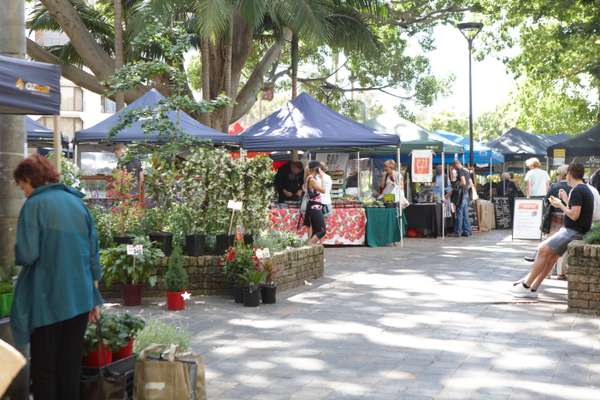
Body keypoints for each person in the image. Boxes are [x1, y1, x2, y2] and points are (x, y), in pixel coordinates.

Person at [11, 154, 103, 400]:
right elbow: (94, 256)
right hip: (81, 299)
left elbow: (27, 254)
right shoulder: (78, 204)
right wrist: (94, 297)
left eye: (23, 187)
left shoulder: (34, 205)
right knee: (70, 366)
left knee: (44, 369)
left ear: (30, 179)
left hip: (47, 300)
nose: (24, 193)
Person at [512, 163, 594, 298]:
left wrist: (559, 205)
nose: (565, 176)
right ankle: (533, 288)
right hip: (575, 230)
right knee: (550, 257)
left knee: (543, 250)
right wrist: (565, 200)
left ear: (570, 173)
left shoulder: (578, 190)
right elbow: (577, 210)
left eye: (566, 173)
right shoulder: (583, 189)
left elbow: (574, 215)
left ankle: (526, 286)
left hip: (573, 231)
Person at [304, 161, 327, 244]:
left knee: (315, 231)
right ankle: (309, 247)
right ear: (316, 168)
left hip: (314, 206)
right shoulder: (312, 179)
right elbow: (323, 190)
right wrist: (323, 177)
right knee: (321, 231)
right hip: (314, 207)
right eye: (319, 168)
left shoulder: (310, 178)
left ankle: (309, 249)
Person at [449, 160, 472, 237]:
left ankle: (457, 232)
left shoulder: (460, 170)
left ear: (456, 165)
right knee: (465, 214)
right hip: (466, 193)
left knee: (459, 212)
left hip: (461, 194)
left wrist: (457, 186)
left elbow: (463, 182)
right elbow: (469, 183)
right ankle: (466, 231)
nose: (454, 169)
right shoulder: (466, 170)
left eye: (454, 167)